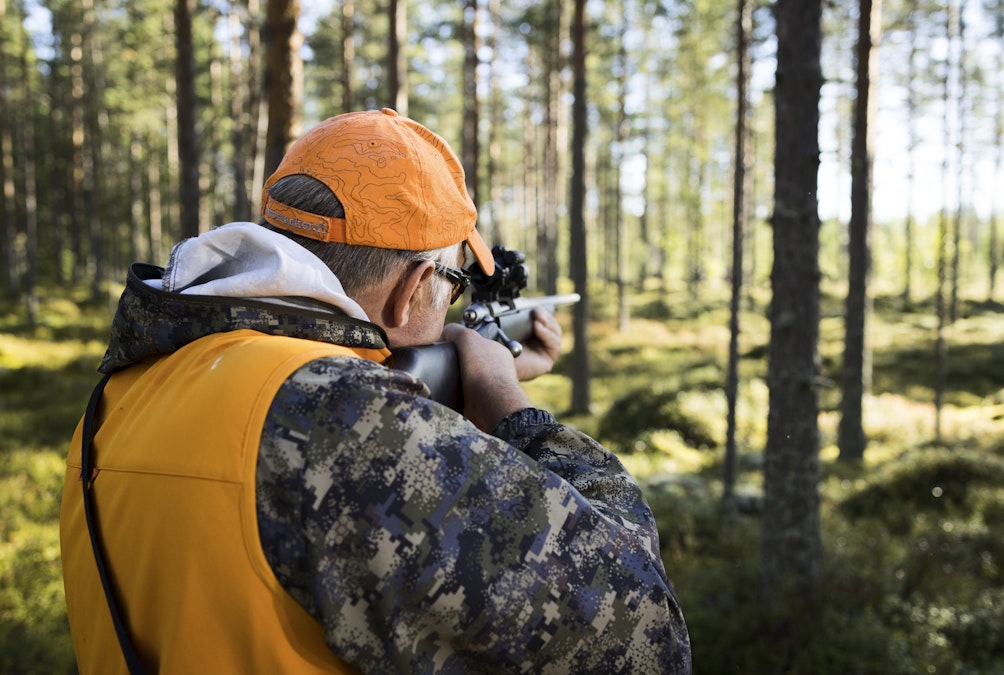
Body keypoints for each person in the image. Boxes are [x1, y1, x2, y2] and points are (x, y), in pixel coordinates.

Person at [59, 108, 691, 674]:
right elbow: (640, 631)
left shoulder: (126, 391)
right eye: (452, 287)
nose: (451, 307)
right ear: (410, 288)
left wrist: (450, 398)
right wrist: (506, 402)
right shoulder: (347, 421)